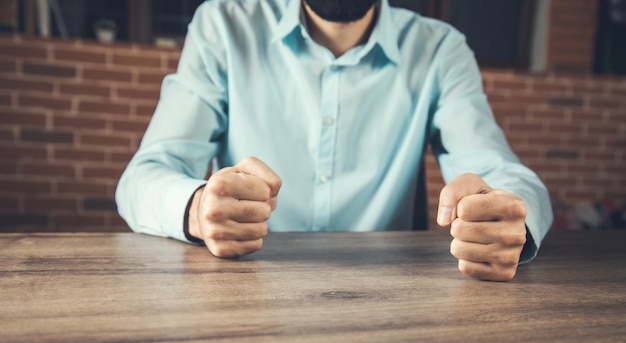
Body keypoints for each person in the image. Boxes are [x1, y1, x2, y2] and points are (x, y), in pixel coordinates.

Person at [116, 0, 553, 281]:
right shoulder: (223, 26)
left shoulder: (440, 50)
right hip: (241, 294)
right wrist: (195, 208)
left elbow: (500, 171)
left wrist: (510, 216)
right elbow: (143, 177)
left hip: (391, 310)